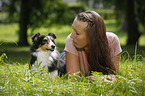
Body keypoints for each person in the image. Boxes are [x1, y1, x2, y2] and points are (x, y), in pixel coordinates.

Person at [63, 10, 122, 77]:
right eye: (73, 29)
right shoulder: (71, 41)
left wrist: (107, 78)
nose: (72, 36)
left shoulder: (112, 40)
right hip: (65, 57)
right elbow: (73, 78)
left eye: (77, 33)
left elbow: (115, 74)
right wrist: (94, 79)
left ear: (92, 37)